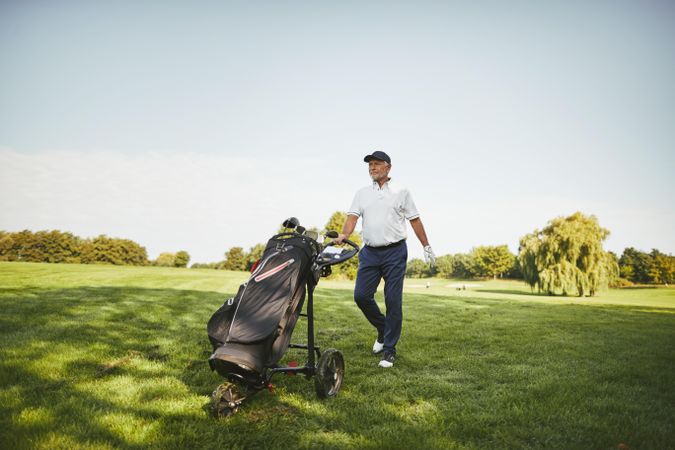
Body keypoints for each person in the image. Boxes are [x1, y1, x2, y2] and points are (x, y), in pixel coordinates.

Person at [335, 151, 435, 368]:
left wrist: (426, 245)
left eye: (377, 164)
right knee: (361, 296)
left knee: (393, 301)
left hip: (395, 252)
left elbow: (415, 220)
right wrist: (344, 234)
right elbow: (352, 218)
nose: (372, 168)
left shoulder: (402, 192)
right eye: (370, 165)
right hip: (370, 252)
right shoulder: (361, 193)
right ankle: (382, 328)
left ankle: (389, 350)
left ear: (388, 167)